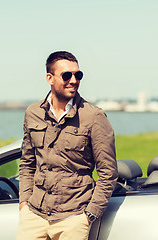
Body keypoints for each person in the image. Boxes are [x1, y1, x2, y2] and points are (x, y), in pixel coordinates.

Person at [16, 51, 118, 240]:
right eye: (66, 75)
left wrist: (89, 215)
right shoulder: (33, 113)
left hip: (74, 217)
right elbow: (27, 163)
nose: (73, 80)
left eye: (78, 75)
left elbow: (108, 172)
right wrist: (24, 203)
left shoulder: (94, 117)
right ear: (50, 78)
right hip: (34, 215)